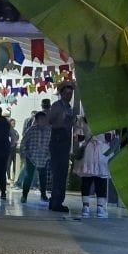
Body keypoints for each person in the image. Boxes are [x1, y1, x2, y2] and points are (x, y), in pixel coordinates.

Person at [46, 82, 77, 212]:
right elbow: (49, 121)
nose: (69, 96)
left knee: (63, 172)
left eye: (71, 93)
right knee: (58, 172)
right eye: (67, 93)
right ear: (61, 94)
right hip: (57, 140)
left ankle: (57, 200)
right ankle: (56, 201)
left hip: (65, 141)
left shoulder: (69, 107)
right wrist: (61, 123)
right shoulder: (57, 106)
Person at [73, 123, 113, 218]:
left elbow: (79, 138)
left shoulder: (84, 123)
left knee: (86, 181)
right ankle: (100, 208)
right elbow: (109, 138)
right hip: (102, 153)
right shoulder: (105, 123)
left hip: (88, 153)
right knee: (101, 182)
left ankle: (85, 207)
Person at [18, 111, 51, 203]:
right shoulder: (31, 130)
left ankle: (43, 195)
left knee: (43, 177)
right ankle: (24, 195)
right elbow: (23, 142)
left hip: (43, 158)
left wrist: (49, 155)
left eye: (44, 119)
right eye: (41, 119)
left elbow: (51, 144)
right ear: (36, 120)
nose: (43, 121)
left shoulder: (49, 130)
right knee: (28, 176)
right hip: (31, 157)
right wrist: (24, 153)